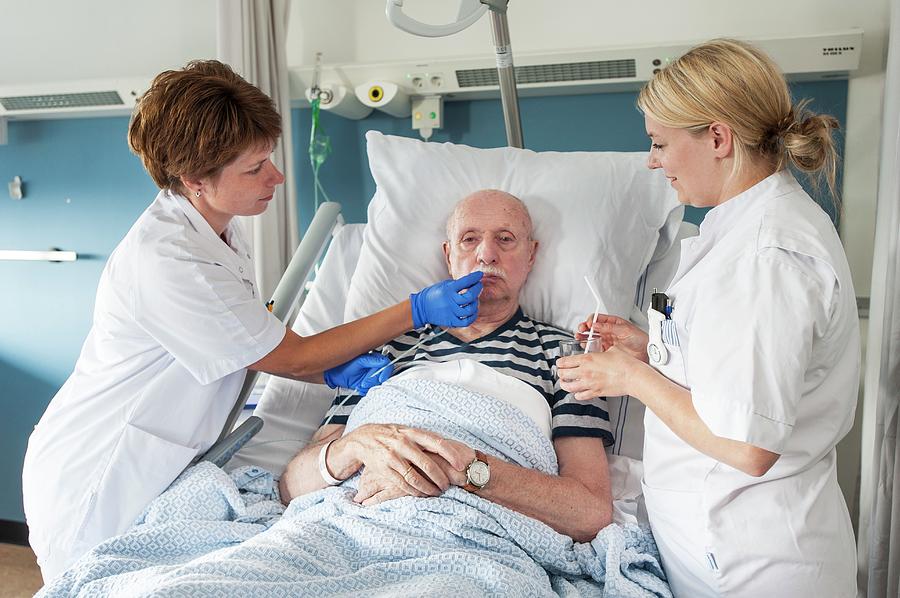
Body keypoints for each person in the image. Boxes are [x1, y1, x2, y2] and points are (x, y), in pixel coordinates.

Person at [21, 60, 483, 581]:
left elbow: (244, 342)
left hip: (162, 461)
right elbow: (287, 353)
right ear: (194, 178)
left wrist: (328, 372)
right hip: (102, 475)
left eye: (269, 158)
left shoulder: (215, 227)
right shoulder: (170, 260)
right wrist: (415, 309)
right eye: (254, 168)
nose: (277, 177)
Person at [557, 39, 858, 597]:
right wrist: (655, 348)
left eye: (659, 143)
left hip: (756, 562)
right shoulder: (738, 226)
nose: (653, 161)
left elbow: (748, 445)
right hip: (717, 548)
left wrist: (631, 378)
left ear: (718, 138)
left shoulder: (766, 256)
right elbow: (739, 362)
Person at [279, 189, 614, 542]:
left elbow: (589, 512)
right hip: (349, 527)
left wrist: (463, 467)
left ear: (531, 255)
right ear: (448, 256)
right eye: (469, 240)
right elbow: (291, 486)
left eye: (505, 239)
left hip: (474, 541)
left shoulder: (566, 355)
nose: (486, 254)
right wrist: (353, 447)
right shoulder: (387, 348)